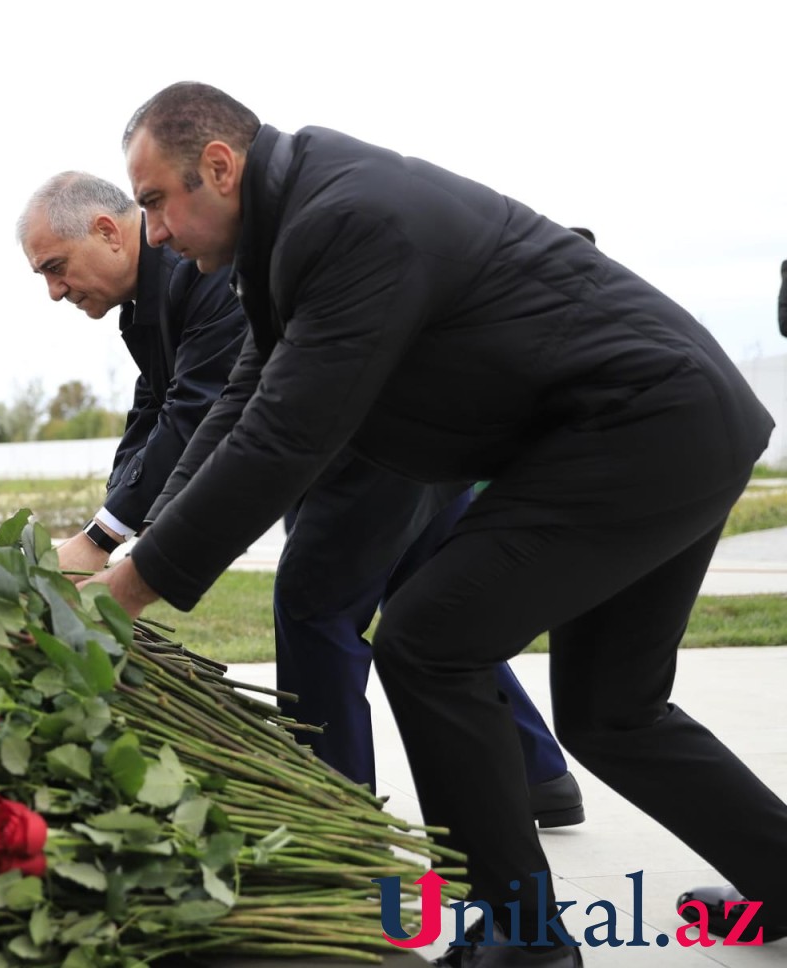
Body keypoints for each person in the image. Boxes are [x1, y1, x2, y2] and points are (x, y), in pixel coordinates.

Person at [86, 81, 787, 964]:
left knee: (427, 638)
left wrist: (128, 592)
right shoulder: (295, 227)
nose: (152, 232)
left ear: (218, 168)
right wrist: (139, 550)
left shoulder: (343, 218)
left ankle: (522, 940)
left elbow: (289, 436)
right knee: (614, 713)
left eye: (153, 202)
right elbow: (244, 402)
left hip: (642, 427)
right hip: (670, 424)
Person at [18, 171, 583, 824]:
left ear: (108, 231)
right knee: (424, 608)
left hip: (379, 442)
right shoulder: (146, 308)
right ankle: (539, 774)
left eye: (56, 268)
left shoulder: (197, 268)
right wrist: (105, 528)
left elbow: (201, 409)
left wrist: (105, 542)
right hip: (398, 445)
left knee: (315, 610)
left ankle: (338, 815)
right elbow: (156, 405)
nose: (56, 291)